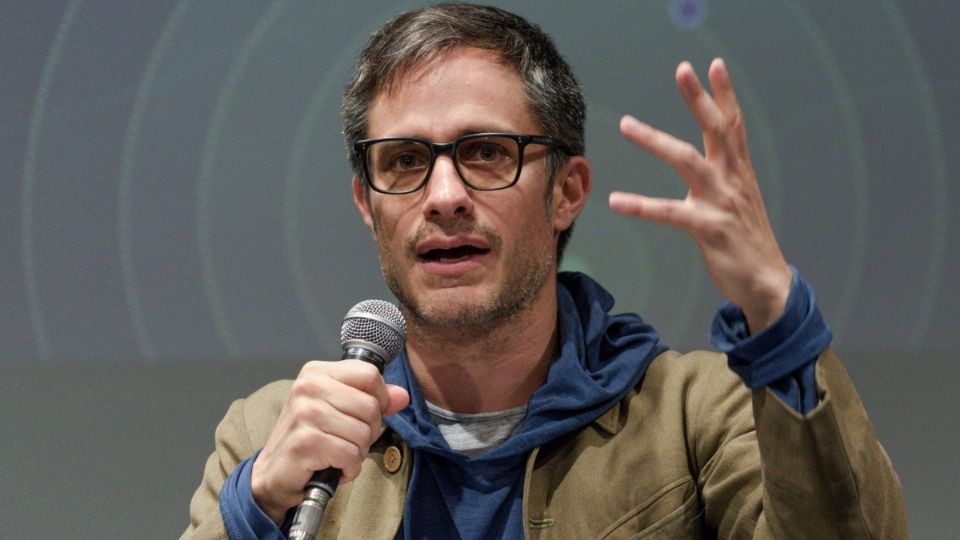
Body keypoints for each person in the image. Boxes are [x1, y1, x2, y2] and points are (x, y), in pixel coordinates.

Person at [183, 4, 907, 539]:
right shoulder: (272, 432)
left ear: (566, 192)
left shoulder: (697, 418)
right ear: (366, 203)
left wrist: (777, 312)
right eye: (404, 162)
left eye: (486, 153)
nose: (443, 197)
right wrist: (255, 511)